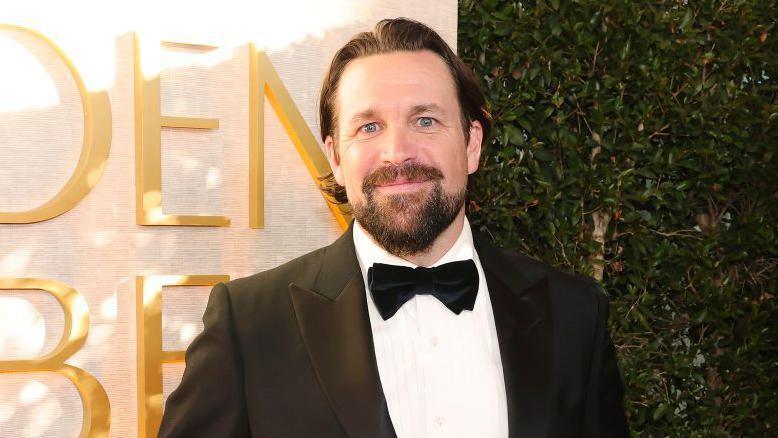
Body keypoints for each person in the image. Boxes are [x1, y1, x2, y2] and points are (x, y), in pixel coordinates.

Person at [159, 18, 629, 438]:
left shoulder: (574, 314)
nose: (397, 151)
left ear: (472, 145)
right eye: (368, 127)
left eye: (425, 120)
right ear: (336, 159)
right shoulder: (249, 325)